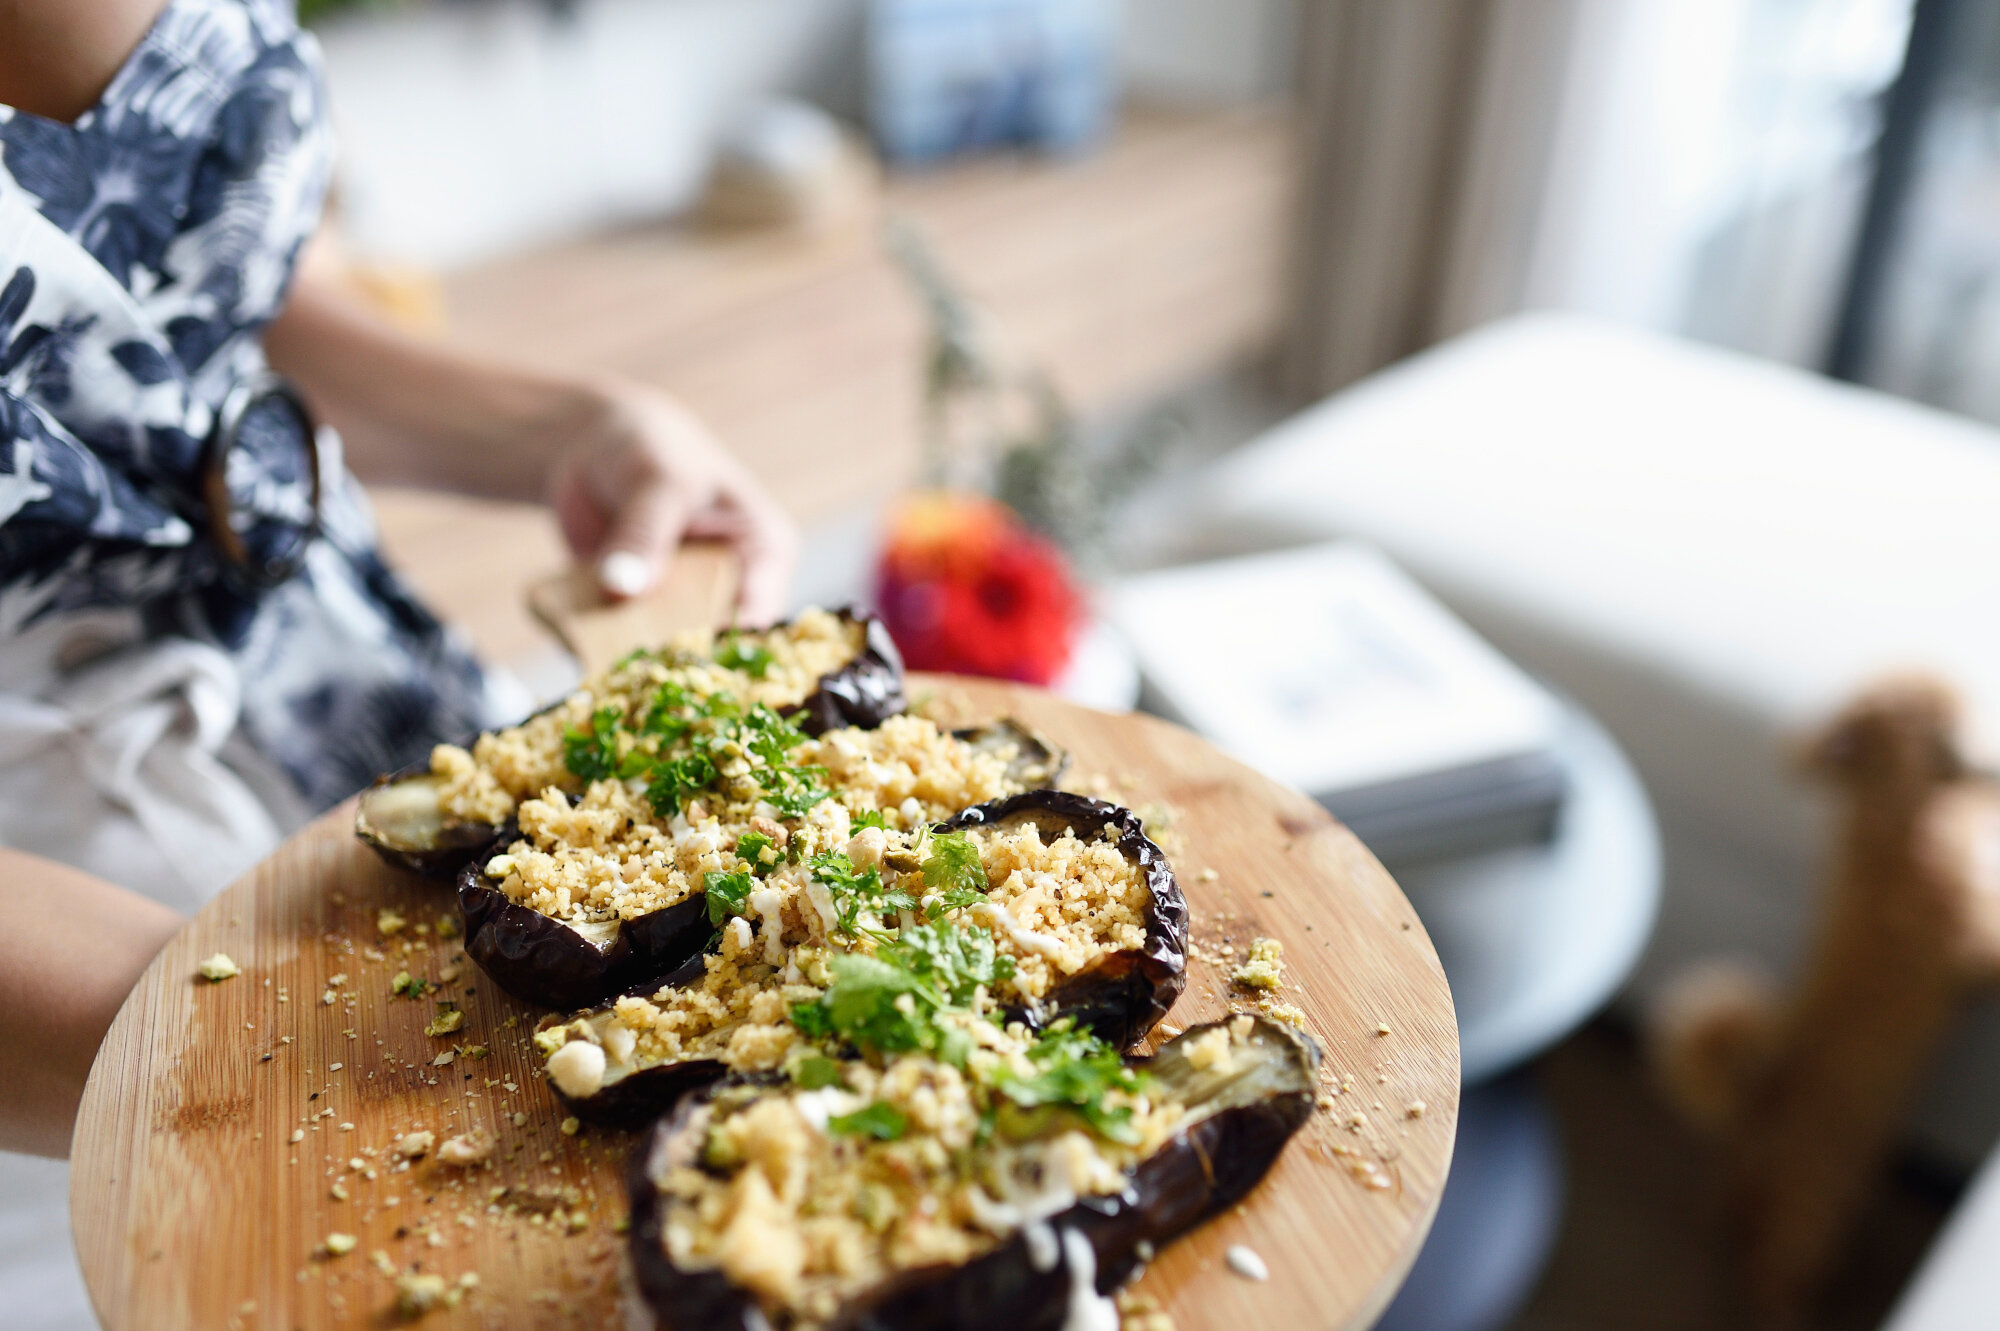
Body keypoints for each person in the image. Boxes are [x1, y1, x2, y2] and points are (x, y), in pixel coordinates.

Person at [0, 1, 795, 1323]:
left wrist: (559, 427)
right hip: (79, 967)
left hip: (366, 701)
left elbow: (209, 283)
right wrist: (286, 1029)